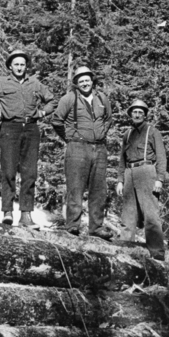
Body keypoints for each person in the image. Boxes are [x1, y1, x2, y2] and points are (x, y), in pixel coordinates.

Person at [0, 49, 56, 227]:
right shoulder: (1, 83)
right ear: (10, 66)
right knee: (8, 171)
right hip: (10, 128)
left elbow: (52, 101)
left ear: (26, 67)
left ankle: (26, 215)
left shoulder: (34, 84)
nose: (19, 67)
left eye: (22, 64)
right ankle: (7, 212)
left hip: (31, 129)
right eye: (16, 64)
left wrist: (42, 112)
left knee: (29, 173)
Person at [51, 66, 114, 238]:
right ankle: (72, 225)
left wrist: (101, 133)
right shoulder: (69, 99)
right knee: (75, 188)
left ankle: (96, 227)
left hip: (100, 148)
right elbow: (56, 121)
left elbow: (108, 119)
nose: (85, 83)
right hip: (77, 147)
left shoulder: (102, 98)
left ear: (92, 81)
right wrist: (69, 138)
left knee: (99, 190)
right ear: (77, 83)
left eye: (87, 80)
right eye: (81, 81)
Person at [116, 99, 166, 260]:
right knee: (128, 216)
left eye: (140, 112)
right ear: (131, 114)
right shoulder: (127, 134)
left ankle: (157, 253)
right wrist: (120, 180)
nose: (137, 114)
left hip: (147, 171)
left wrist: (160, 179)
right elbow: (122, 159)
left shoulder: (152, 131)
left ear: (145, 115)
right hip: (129, 173)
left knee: (151, 215)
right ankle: (125, 250)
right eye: (134, 112)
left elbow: (161, 157)